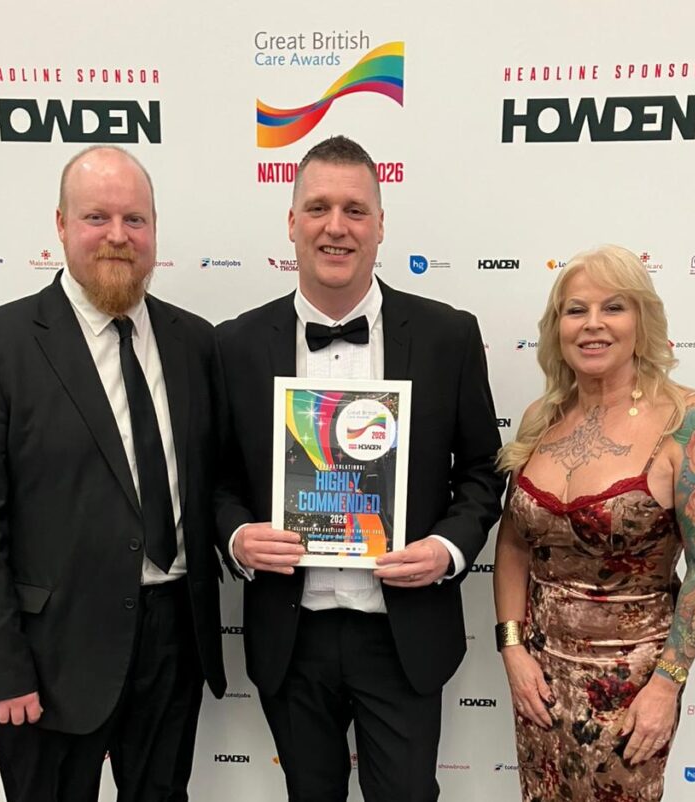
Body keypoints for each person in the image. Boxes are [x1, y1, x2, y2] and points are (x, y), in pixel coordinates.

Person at [216, 135, 504, 801]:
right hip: (292, 635)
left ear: (380, 225)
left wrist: (447, 549)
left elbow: (485, 470)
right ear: (291, 223)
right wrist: (237, 537)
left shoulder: (447, 336)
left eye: (354, 209)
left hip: (401, 635)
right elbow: (219, 479)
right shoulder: (236, 344)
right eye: (317, 207)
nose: (335, 227)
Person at [0, 146, 227, 802]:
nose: (118, 236)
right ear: (62, 225)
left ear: (155, 230)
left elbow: (214, 480)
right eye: (97, 217)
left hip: (173, 644)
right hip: (48, 658)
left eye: (136, 219)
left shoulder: (194, 342)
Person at [493, 244, 695, 801]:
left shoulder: (686, 418)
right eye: (575, 310)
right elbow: (513, 544)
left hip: (633, 686)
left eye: (614, 307)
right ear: (557, 328)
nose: (593, 324)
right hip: (539, 679)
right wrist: (512, 649)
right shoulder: (542, 416)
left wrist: (668, 685)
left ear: (642, 320)